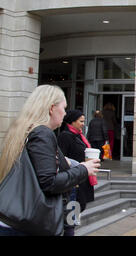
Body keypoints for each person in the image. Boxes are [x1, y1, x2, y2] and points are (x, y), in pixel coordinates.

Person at [0, 85, 100, 236]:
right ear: (52, 108)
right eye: (64, 108)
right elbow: (49, 182)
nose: (65, 113)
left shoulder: (25, 130)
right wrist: (84, 169)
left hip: (13, 218)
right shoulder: (42, 133)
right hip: (27, 223)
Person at [57, 109, 96, 236]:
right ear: (72, 122)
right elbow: (62, 158)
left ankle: (71, 224)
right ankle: (69, 226)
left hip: (81, 176)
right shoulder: (65, 136)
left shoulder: (78, 135)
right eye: (81, 121)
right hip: (73, 179)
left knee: (79, 206)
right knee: (74, 209)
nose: (83, 124)